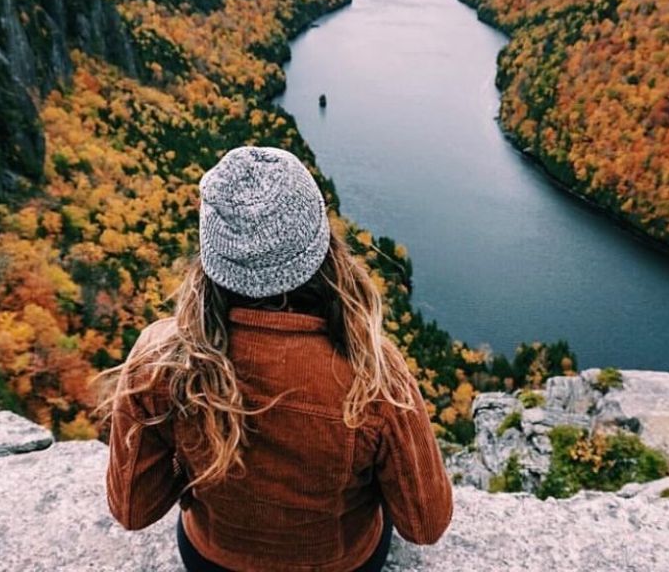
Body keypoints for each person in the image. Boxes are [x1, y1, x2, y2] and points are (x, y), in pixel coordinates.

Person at [97, 146, 453, 572]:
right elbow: (425, 524)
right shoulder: (374, 374)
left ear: (210, 257)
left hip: (212, 559)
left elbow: (134, 510)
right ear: (323, 248)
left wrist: (191, 452)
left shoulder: (162, 360)